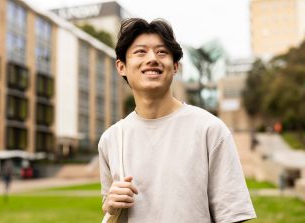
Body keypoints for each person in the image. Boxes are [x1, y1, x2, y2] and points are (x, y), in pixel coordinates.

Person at [98, 18, 256, 222]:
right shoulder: (111, 139)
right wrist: (109, 204)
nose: (152, 58)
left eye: (162, 52)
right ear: (121, 67)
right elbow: (110, 207)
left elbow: (233, 215)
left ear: (175, 67)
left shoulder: (210, 129)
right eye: (140, 52)